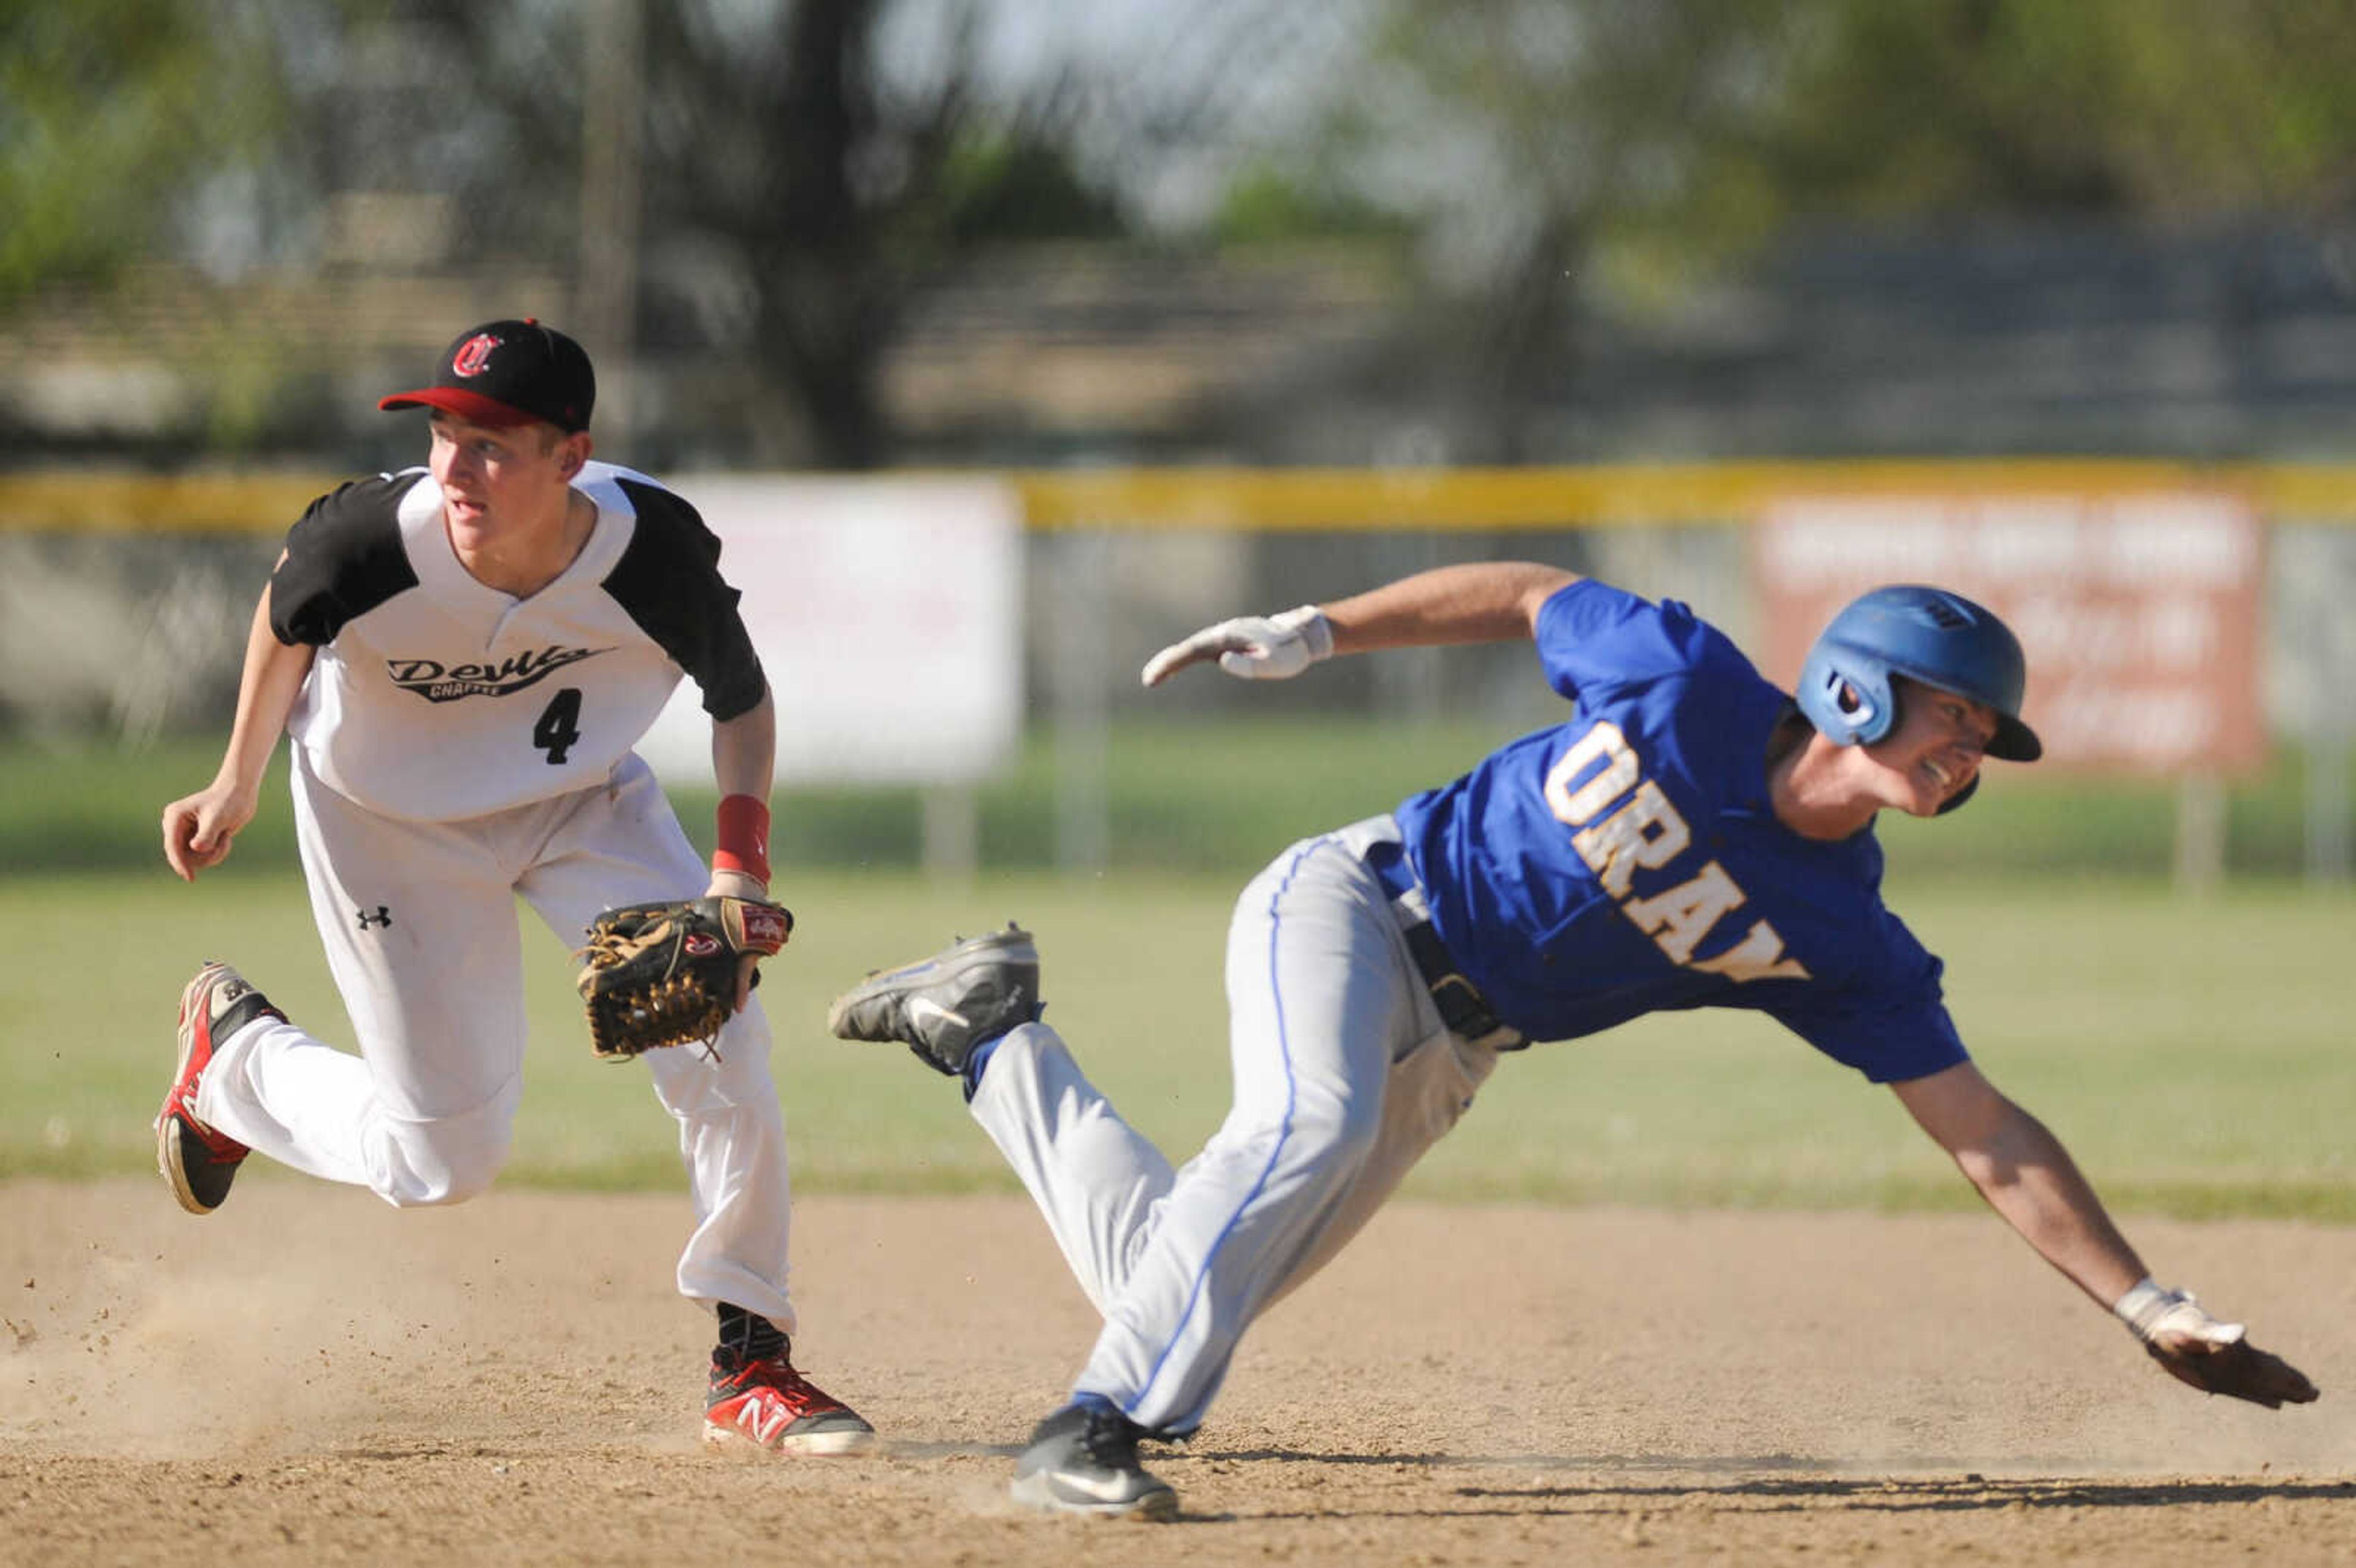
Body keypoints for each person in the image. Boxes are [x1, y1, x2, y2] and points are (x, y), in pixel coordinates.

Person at [828, 564, 2318, 1519]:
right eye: (1957, 714)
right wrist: (1320, 631)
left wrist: (2143, 1303)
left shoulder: (1844, 931)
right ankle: (1085, 1431)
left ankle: (989, 1031)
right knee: (1302, 1139)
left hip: (1462, 1049)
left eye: (1987, 737)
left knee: (1182, 1261)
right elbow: (1529, 593)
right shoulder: (1681, 678)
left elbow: (1984, 1132)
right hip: (1349, 904)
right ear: (1858, 682)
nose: (1971, 748)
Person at [156, 318, 874, 1455]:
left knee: (724, 1033)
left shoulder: (651, 554)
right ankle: (235, 1065)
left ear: (569, 458)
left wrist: (738, 869)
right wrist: (235, 777)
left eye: (493, 441)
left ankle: (751, 1361)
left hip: (581, 801)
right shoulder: (368, 539)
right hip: (388, 824)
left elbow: (740, 701)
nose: (456, 464)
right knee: (440, 1162)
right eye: (444, 430)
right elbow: (288, 618)